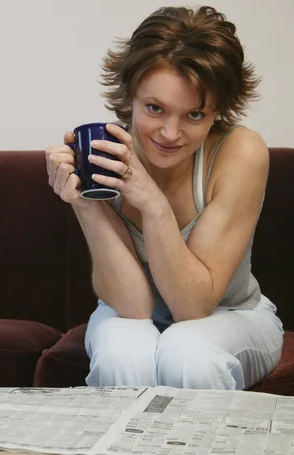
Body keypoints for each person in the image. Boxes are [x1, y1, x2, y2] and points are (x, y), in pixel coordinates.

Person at [45, 5, 284, 390]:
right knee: (125, 350)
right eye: (155, 109)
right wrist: (85, 203)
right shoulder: (106, 152)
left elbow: (193, 307)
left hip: (232, 315)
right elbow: (134, 306)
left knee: (188, 350)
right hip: (129, 312)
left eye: (194, 115)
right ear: (131, 95)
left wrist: (152, 203)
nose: (170, 134)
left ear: (217, 110)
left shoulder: (240, 151)